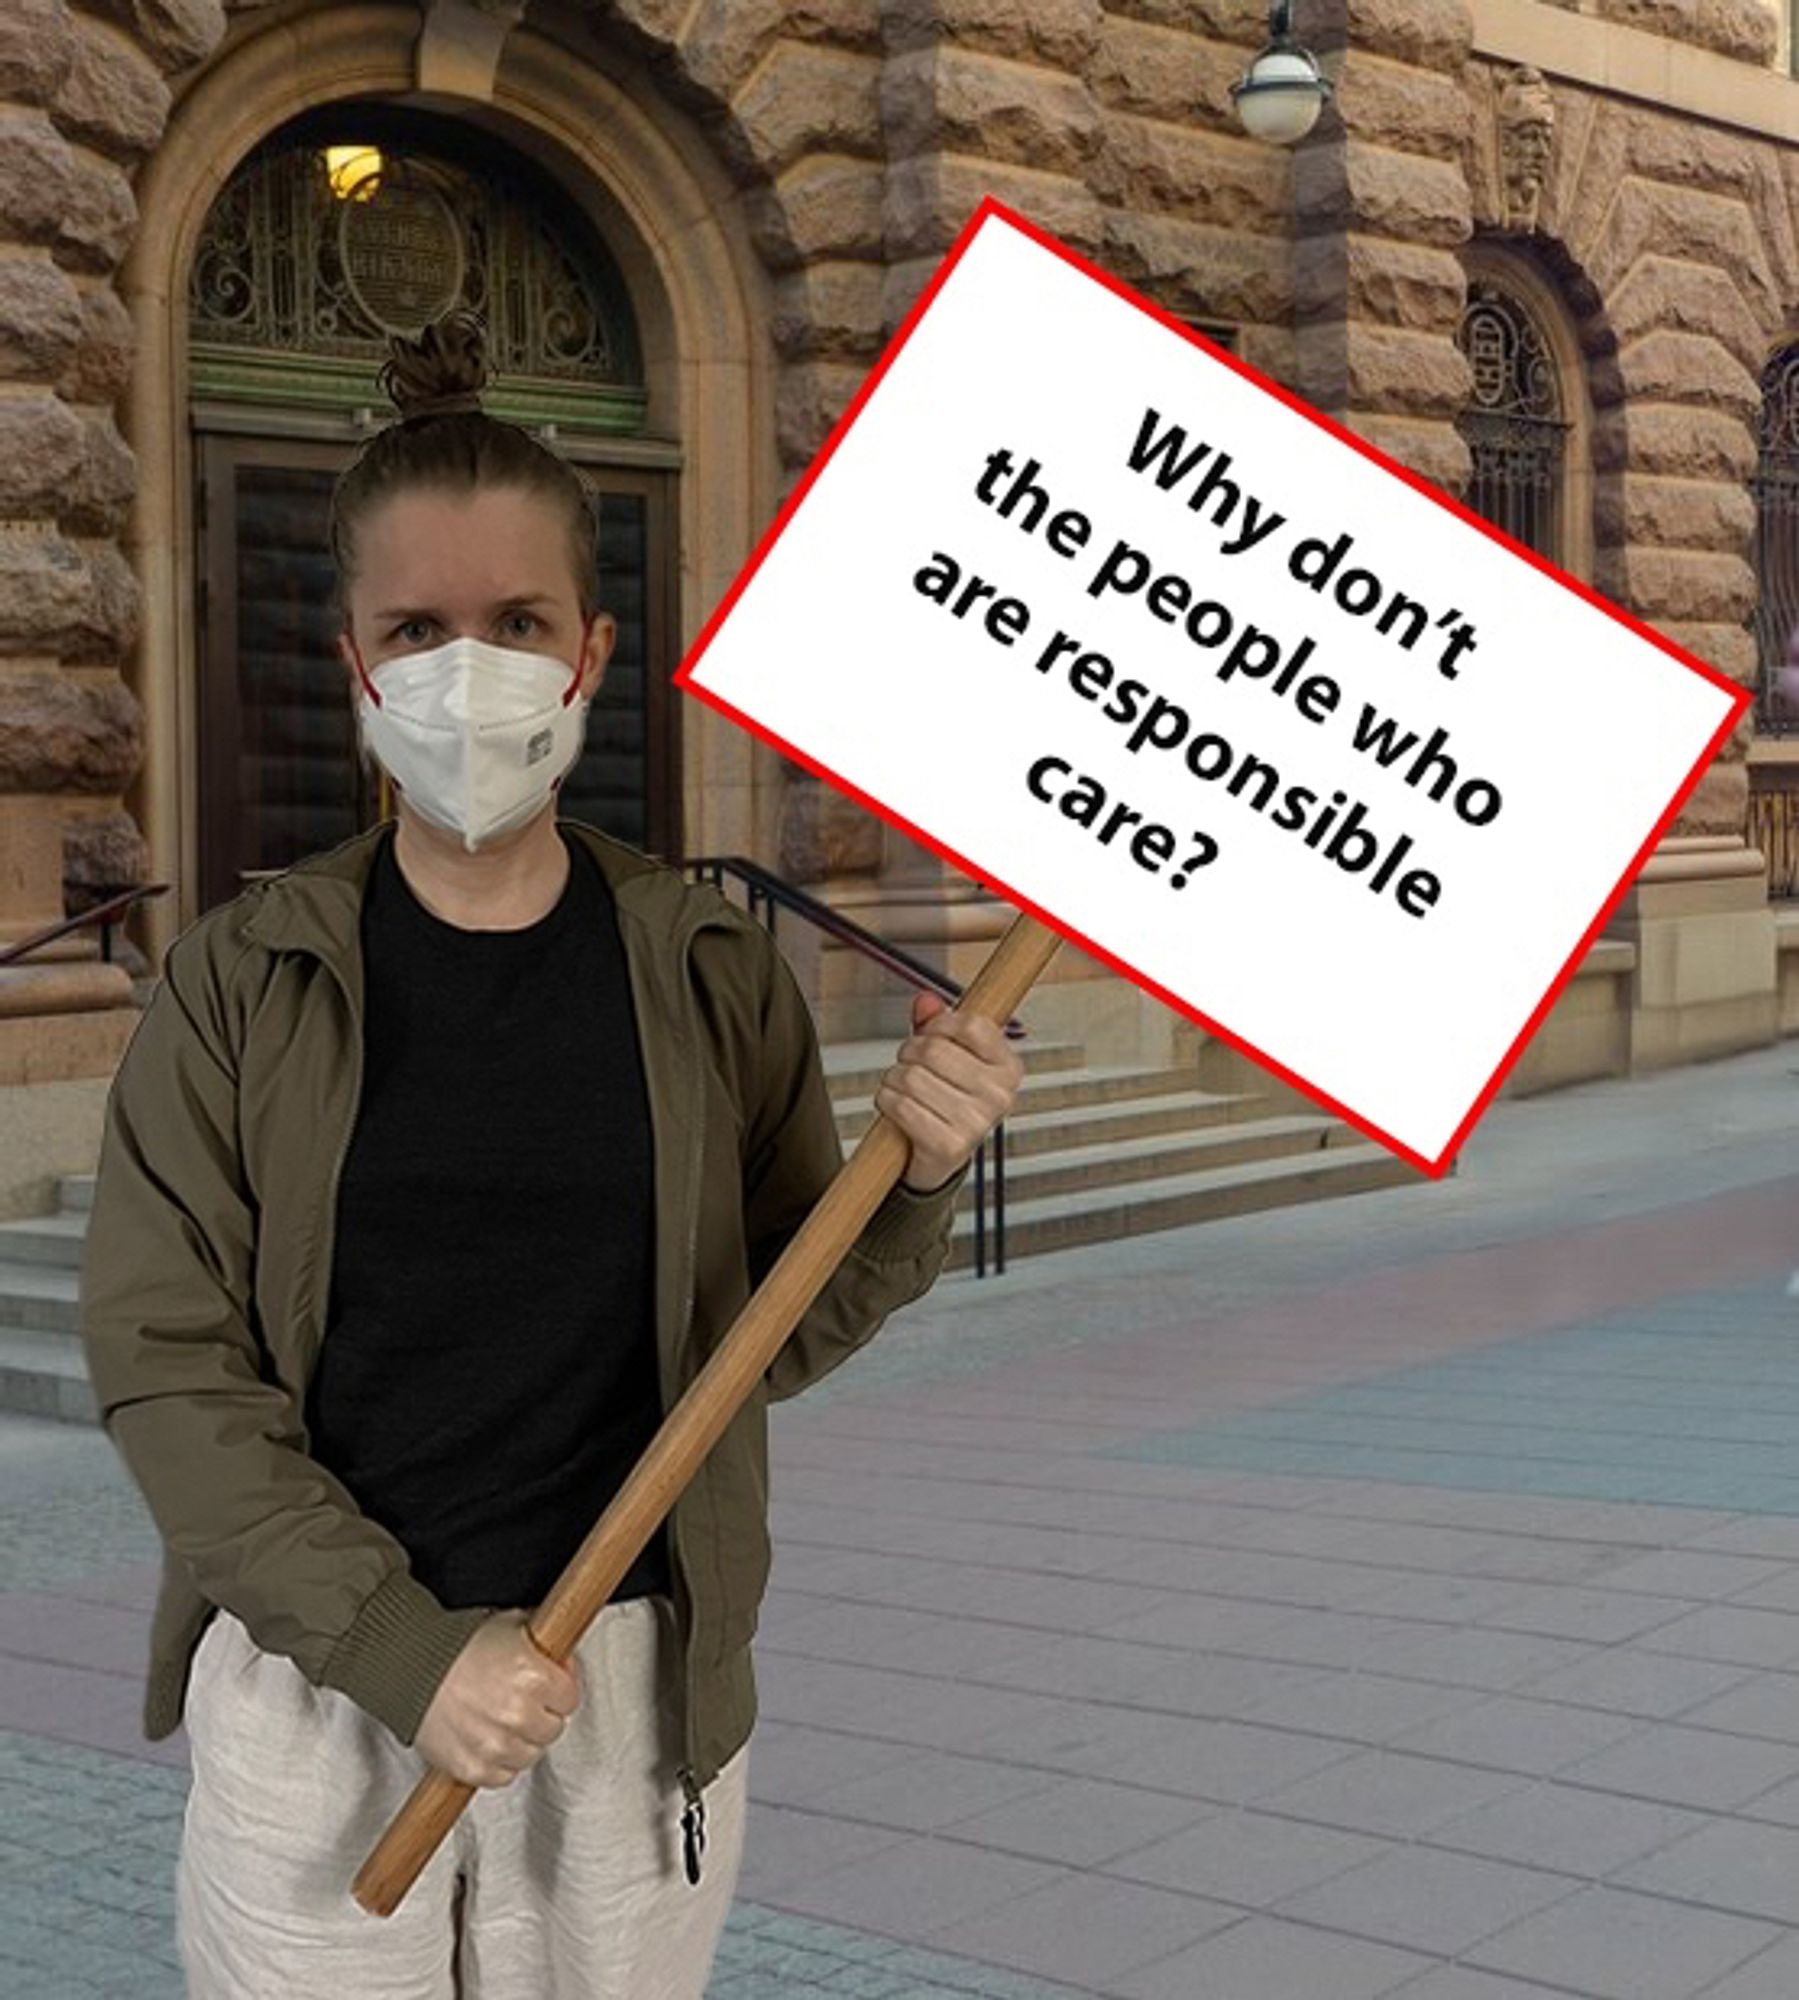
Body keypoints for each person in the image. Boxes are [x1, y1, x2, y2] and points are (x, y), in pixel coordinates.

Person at [79, 305, 1025, 1998]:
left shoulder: (708, 970)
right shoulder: (237, 982)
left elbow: (767, 1330)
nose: (472, 671)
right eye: (421, 629)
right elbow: (165, 1372)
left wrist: (924, 1172)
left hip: (628, 1695)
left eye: (516, 623)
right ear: (359, 668)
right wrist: (399, 1652)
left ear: (590, 654)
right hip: (322, 1694)